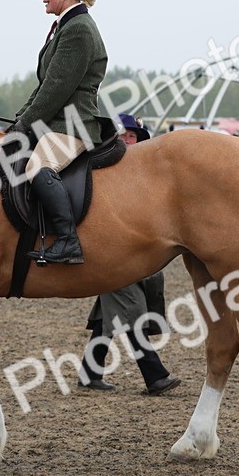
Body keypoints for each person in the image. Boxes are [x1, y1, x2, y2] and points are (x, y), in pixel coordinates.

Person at [8, 0, 106, 265]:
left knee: (38, 167)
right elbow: (44, 87)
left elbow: (55, 90)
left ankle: (67, 242)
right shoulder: (65, 25)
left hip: (73, 124)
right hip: (57, 121)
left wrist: (26, 125)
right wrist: (19, 120)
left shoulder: (78, 29)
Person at [79, 114, 180, 395]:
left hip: (133, 254)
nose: (127, 140)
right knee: (133, 311)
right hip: (112, 253)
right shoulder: (104, 174)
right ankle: (155, 376)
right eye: (123, 135)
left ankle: (89, 372)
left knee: (108, 318)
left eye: (132, 136)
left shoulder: (146, 179)